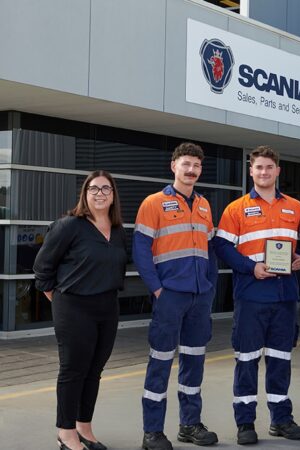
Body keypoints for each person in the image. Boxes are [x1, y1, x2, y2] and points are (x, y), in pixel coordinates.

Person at [214, 146, 300, 445]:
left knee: (281, 359)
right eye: (259, 167)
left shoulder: (296, 207)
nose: (264, 172)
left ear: (278, 171)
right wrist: (250, 267)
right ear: (251, 171)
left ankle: (281, 420)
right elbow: (222, 246)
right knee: (247, 360)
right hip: (251, 296)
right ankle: (245, 423)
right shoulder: (236, 208)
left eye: (269, 167)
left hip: (284, 297)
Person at [133, 142, 219, 450]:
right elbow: (141, 250)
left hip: (199, 297)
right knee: (160, 361)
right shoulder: (153, 203)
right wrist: (157, 288)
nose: (191, 170)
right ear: (174, 166)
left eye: (196, 165)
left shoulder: (204, 205)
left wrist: (210, 285)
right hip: (169, 296)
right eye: (186, 164)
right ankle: (152, 431)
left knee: (194, 361)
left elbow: (210, 250)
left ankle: (190, 424)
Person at [34, 170, 127, 450]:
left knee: (94, 370)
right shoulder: (69, 225)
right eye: (93, 188)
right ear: (85, 194)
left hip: (107, 308)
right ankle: (66, 433)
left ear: (113, 196)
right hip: (74, 306)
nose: (100, 194)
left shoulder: (118, 230)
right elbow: (42, 268)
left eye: (106, 189)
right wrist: (61, 301)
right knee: (73, 370)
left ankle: (84, 428)